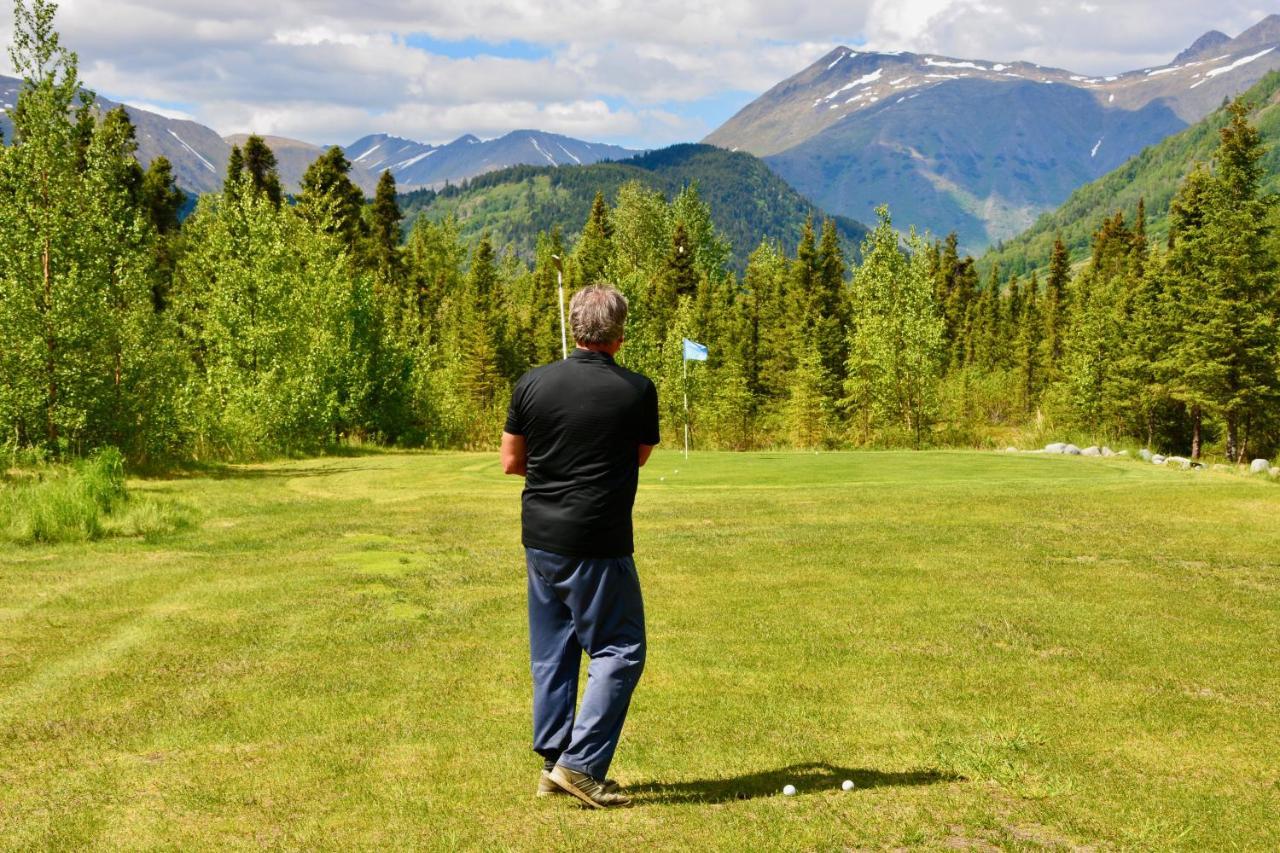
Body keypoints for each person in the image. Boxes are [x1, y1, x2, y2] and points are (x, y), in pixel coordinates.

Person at [501, 284, 659, 809]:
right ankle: (580, 765)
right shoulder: (637, 390)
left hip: (541, 539)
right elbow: (638, 457)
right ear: (619, 333)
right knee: (621, 650)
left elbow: (511, 461)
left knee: (554, 650)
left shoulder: (531, 383)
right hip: (598, 540)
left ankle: (553, 761)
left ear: (575, 327)